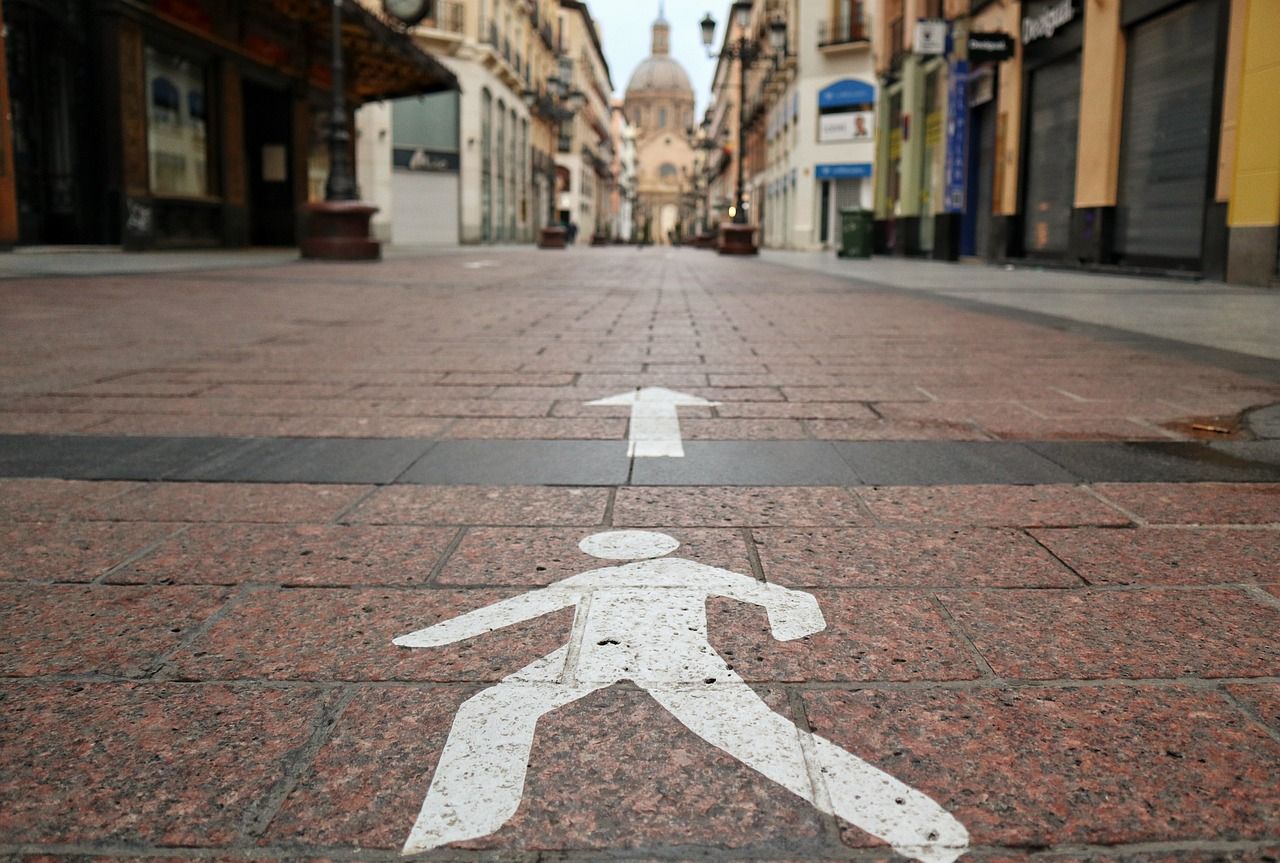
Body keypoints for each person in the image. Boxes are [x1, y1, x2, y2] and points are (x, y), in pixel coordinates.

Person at [394, 530, 968, 863]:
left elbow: (781, 594)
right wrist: (430, 637)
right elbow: (514, 610)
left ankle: (910, 821)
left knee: (758, 734)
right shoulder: (589, 580)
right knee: (491, 708)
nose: (613, 552)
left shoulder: (686, 569)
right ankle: (463, 817)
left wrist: (793, 630)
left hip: (677, 660)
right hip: (591, 657)